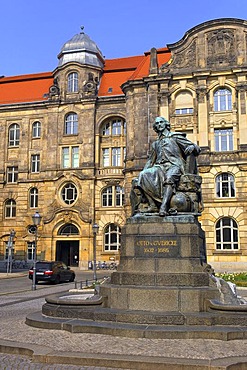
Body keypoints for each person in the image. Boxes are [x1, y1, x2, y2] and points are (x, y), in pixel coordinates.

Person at [132, 117, 200, 216]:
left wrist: (192, 147)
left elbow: (197, 148)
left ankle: (163, 207)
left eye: (161, 122)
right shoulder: (155, 144)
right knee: (143, 176)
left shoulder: (175, 137)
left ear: (166, 124)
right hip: (160, 167)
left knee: (169, 177)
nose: (159, 124)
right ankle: (153, 206)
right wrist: (142, 174)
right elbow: (150, 161)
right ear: (155, 127)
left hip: (174, 165)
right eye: (157, 123)